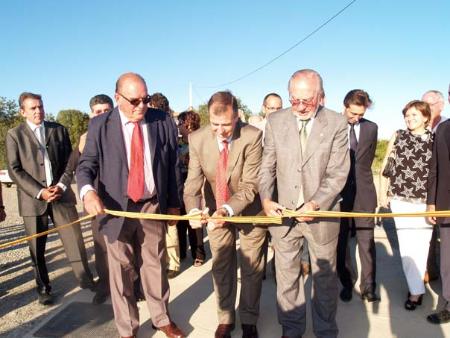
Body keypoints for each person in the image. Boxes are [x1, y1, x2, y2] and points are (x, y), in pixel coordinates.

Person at [77, 73, 185, 338]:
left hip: (151, 205)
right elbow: (86, 165)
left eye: (146, 99)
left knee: (155, 266)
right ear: (118, 98)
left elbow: (172, 166)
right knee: (121, 271)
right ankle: (128, 330)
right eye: (134, 100)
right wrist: (88, 192)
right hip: (115, 209)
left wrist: (173, 205)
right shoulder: (100, 126)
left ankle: (161, 318)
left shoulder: (162, 122)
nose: (141, 106)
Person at [259, 69, 349, 338]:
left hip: (321, 217)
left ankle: (325, 331)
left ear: (321, 97)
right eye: (293, 100)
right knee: (286, 279)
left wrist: (316, 203)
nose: (299, 107)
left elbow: (338, 173)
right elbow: (267, 167)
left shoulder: (336, 123)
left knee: (324, 281)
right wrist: (265, 198)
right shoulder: (276, 122)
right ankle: (291, 329)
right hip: (283, 217)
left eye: (306, 101)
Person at [183, 91, 266, 338]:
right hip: (215, 207)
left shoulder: (252, 136)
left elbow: (251, 185)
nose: (220, 131)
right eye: (215, 124)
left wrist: (227, 210)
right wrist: (194, 210)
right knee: (221, 265)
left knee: (251, 267)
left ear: (237, 116)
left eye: (227, 125)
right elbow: (192, 183)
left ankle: (249, 320)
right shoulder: (197, 138)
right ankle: (226, 318)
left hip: (249, 210)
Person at [6, 92, 95, 305]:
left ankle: (85, 279)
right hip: (33, 201)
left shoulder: (59, 130)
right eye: (33, 108)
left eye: (40, 106)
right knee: (36, 248)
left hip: (61, 196)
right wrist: (40, 191)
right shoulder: (14, 135)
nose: (38, 111)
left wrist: (62, 185)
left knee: (74, 240)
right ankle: (43, 288)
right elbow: (14, 170)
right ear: (22, 112)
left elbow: (69, 162)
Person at [379, 100, 433, 311]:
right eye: (407, 115)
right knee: (407, 247)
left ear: (426, 117)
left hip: (425, 202)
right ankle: (416, 291)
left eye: (415, 115)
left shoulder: (434, 138)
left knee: (422, 245)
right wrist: (383, 193)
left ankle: (418, 281)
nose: (410, 119)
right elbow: (386, 164)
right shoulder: (398, 135)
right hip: (400, 200)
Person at [64, 94, 113, 305]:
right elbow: (74, 166)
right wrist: (79, 149)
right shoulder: (87, 137)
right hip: (97, 201)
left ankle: (134, 285)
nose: (102, 115)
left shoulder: (124, 132)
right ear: (91, 114)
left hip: (124, 201)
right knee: (101, 248)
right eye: (97, 111)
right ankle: (104, 286)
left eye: (106, 110)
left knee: (130, 247)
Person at [337, 89, 380, 303]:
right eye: (353, 114)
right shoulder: (333, 125)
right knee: (341, 242)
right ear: (345, 107)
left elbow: (367, 161)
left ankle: (369, 286)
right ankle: (346, 282)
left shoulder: (371, 128)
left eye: (361, 115)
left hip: (364, 194)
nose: (356, 118)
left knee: (367, 241)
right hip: (339, 195)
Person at [148, 92, 181, 279]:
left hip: (167, 189)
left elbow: (173, 161)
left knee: (170, 228)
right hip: (152, 192)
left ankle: (173, 262)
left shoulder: (167, 123)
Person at [421, 90, 447, 282]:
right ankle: (428, 270)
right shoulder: (418, 126)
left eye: (430, 105)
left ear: (441, 105)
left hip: (443, 192)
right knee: (426, 237)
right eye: (423, 104)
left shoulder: (444, 128)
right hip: (425, 191)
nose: (426, 109)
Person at [427, 115, 450, 324]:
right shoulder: (442, 129)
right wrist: (431, 202)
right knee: (447, 261)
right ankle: (447, 306)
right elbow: (434, 167)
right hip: (446, 205)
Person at [175, 110, 206, 267]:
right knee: (180, 219)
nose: (178, 127)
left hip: (196, 186)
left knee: (195, 220)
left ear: (187, 124)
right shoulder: (177, 143)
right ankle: (181, 251)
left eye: (180, 124)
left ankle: (198, 253)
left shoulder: (200, 141)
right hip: (179, 184)